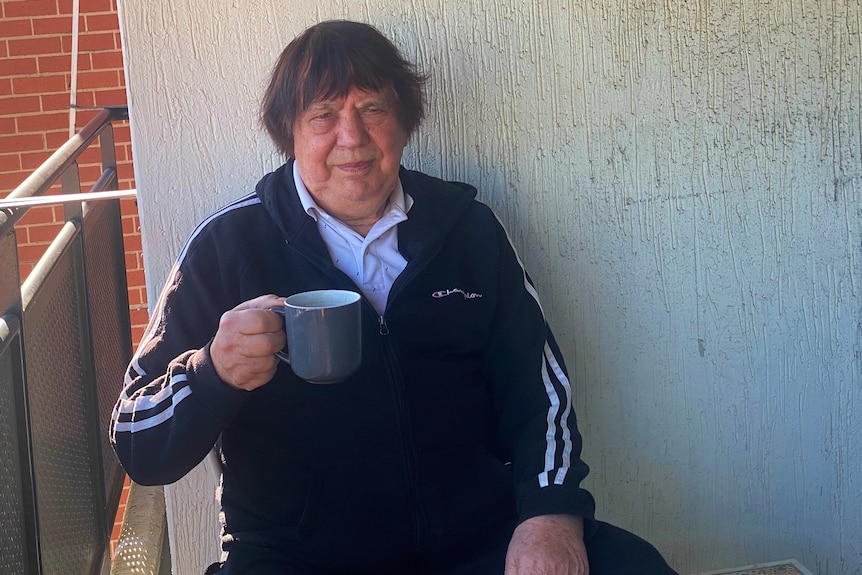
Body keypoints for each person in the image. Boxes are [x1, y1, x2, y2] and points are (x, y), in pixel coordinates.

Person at [111, 20, 679, 575]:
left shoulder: (467, 230)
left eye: (372, 110)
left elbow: (539, 393)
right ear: (290, 133)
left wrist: (549, 516)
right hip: (295, 559)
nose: (351, 138)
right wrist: (212, 373)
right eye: (324, 116)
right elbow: (136, 439)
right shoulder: (227, 246)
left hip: (474, 543)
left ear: (403, 122)